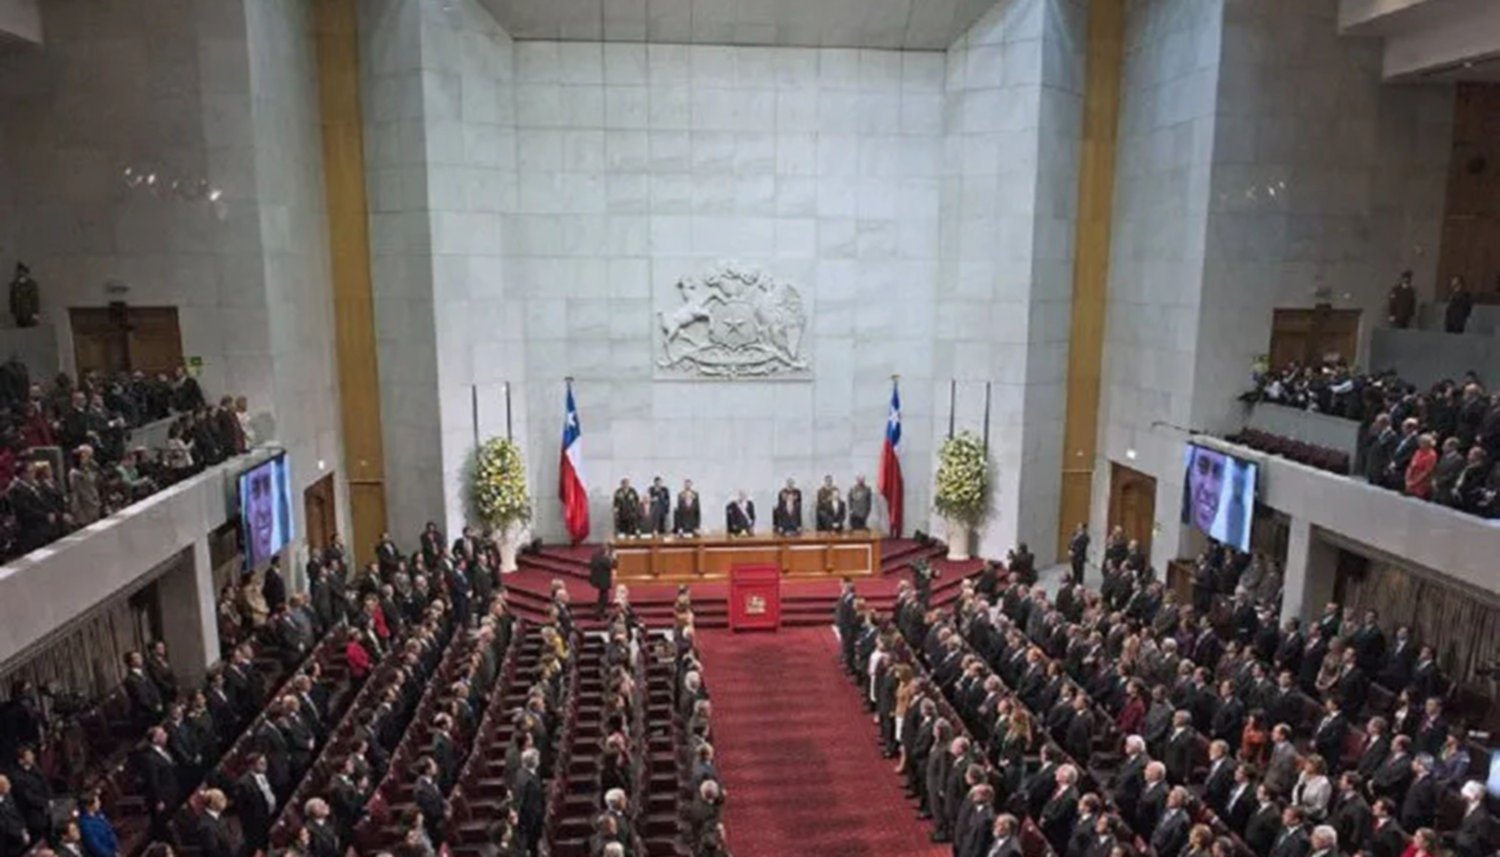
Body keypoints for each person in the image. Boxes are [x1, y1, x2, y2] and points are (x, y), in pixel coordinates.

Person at [588, 544, 615, 619]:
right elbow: (611, 565)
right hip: (603, 581)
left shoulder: (595, 557)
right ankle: (599, 613)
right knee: (604, 598)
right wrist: (611, 558)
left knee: (601, 596)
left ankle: (600, 612)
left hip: (597, 580)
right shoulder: (605, 559)